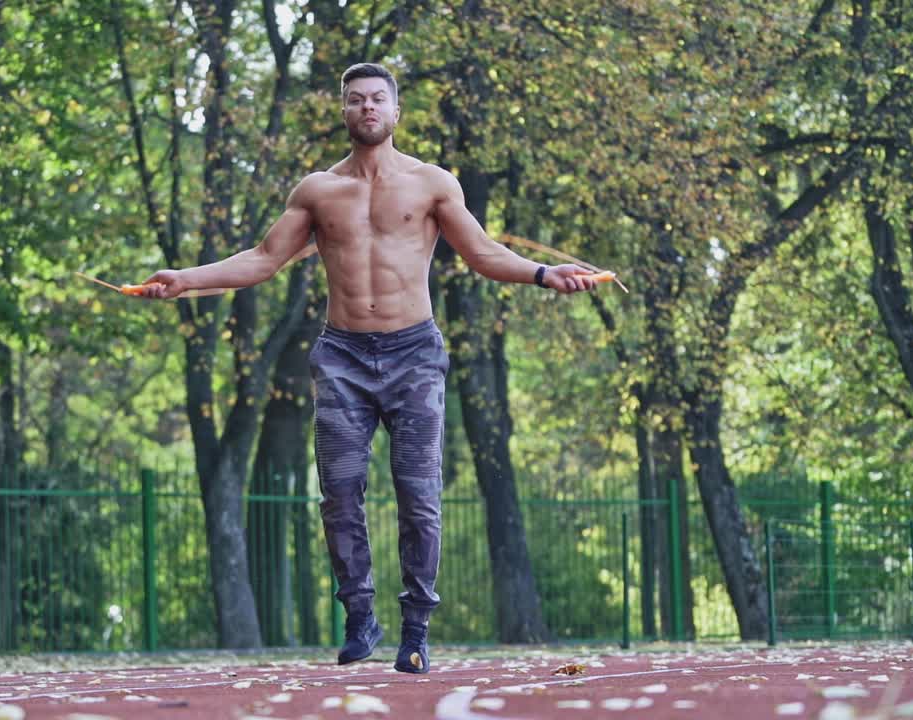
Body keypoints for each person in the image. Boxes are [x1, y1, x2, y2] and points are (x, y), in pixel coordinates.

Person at [130, 62, 598, 673]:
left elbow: (482, 253)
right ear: (345, 112)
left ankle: (416, 629)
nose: (367, 108)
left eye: (378, 99)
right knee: (340, 497)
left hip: (414, 357)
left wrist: (544, 273)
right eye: (356, 100)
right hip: (344, 358)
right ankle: (360, 614)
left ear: (396, 112)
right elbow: (264, 259)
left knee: (418, 496)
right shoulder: (318, 191)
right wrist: (183, 281)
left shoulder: (432, 185)